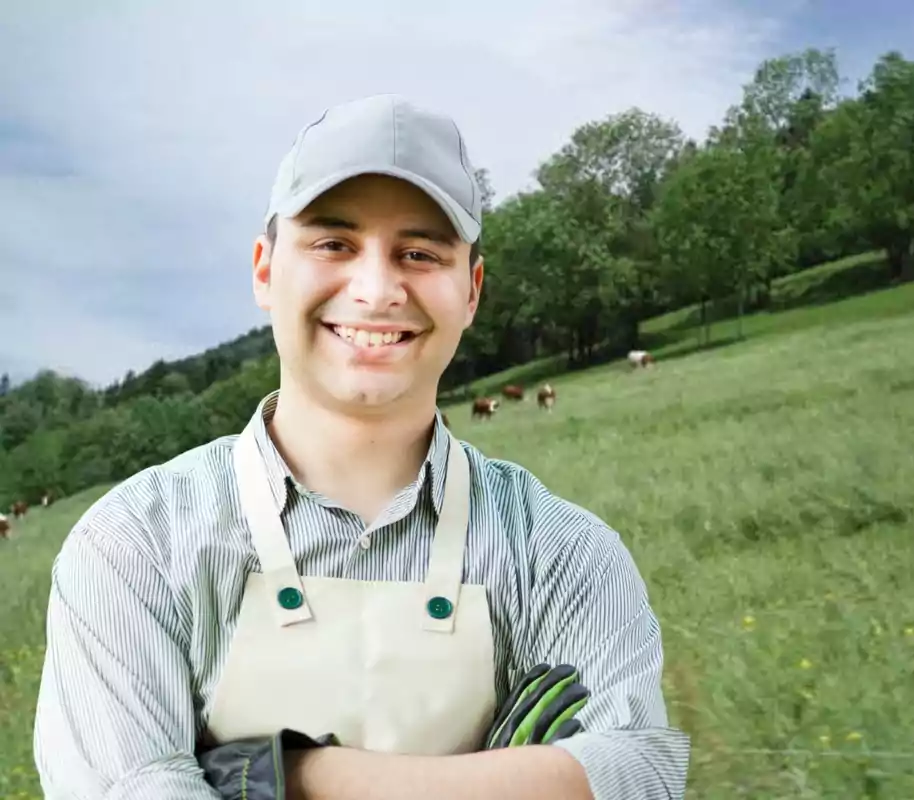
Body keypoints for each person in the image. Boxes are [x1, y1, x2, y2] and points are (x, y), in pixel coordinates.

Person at [32, 94, 691, 800]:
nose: (377, 290)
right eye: (333, 243)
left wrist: (301, 776)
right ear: (264, 269)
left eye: (418, 252)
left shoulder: (564, 554)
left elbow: (643, 773)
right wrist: (521, 782)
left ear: (470, 291)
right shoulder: (135, 546)